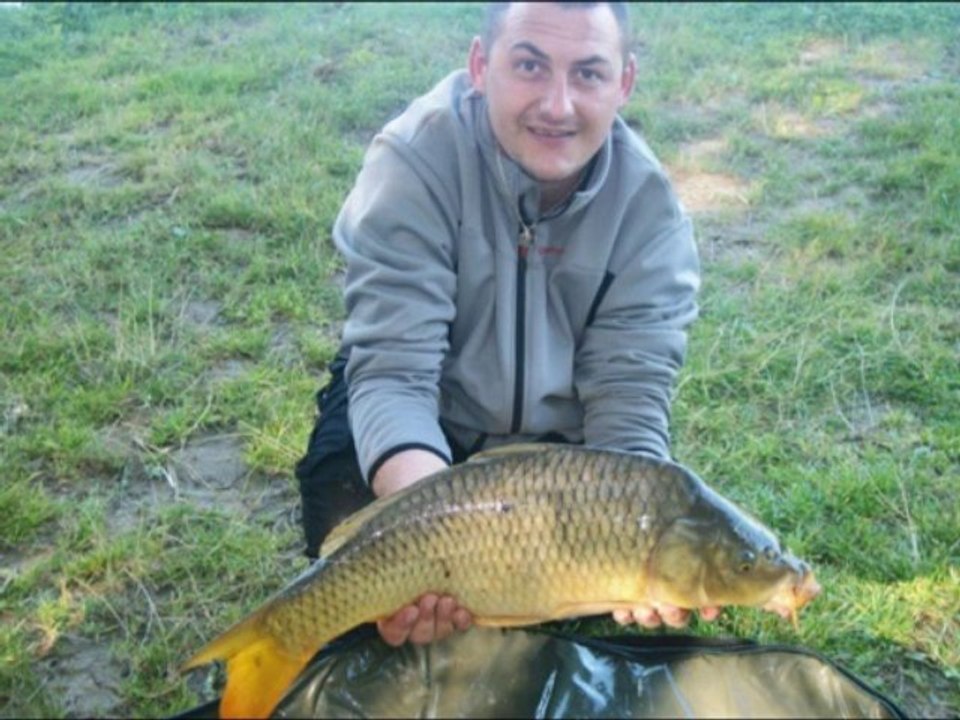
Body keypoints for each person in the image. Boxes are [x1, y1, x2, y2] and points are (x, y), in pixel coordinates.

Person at [295, 1, 712, 648]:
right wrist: (433, 534)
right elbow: (396, 374)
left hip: (564, 462)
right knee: (353, 550)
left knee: (598, 637)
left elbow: (628, 412)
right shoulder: (413, 161)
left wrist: (633, 548)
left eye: (589, 75)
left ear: (624, 83)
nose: (557, 105)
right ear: (480, 64)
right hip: (427, 421)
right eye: (529, 65)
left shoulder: (651, 215)